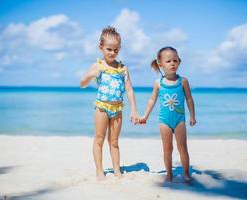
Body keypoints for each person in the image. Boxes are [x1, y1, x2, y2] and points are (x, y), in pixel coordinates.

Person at [80, 26, 139, 181]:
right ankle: (99, 171)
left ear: (119, 49)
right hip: (102, 107)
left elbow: (130, 90)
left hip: (117, 108)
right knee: (99, 139)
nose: (112, 53)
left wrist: (133, 110)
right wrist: (90, 75)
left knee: (114, 141)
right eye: (109, 49)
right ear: (101, 48)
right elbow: (82, 84)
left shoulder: (122, 68)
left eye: (116, 50)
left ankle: (116, 170)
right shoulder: (98, 66)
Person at [139, 46, 196, 182]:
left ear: (179, 62)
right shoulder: (158, 83)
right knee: (167, 149)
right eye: (168, 61)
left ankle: (186, 173)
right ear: (160, 64)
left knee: (182, 147)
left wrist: (192, 115)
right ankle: (169, 174)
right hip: (164, 121)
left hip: (180, 120)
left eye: (175, 60)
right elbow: (152, 100)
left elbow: (189, 98)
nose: (172, 64)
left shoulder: (183, 81)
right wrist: (145, 116)